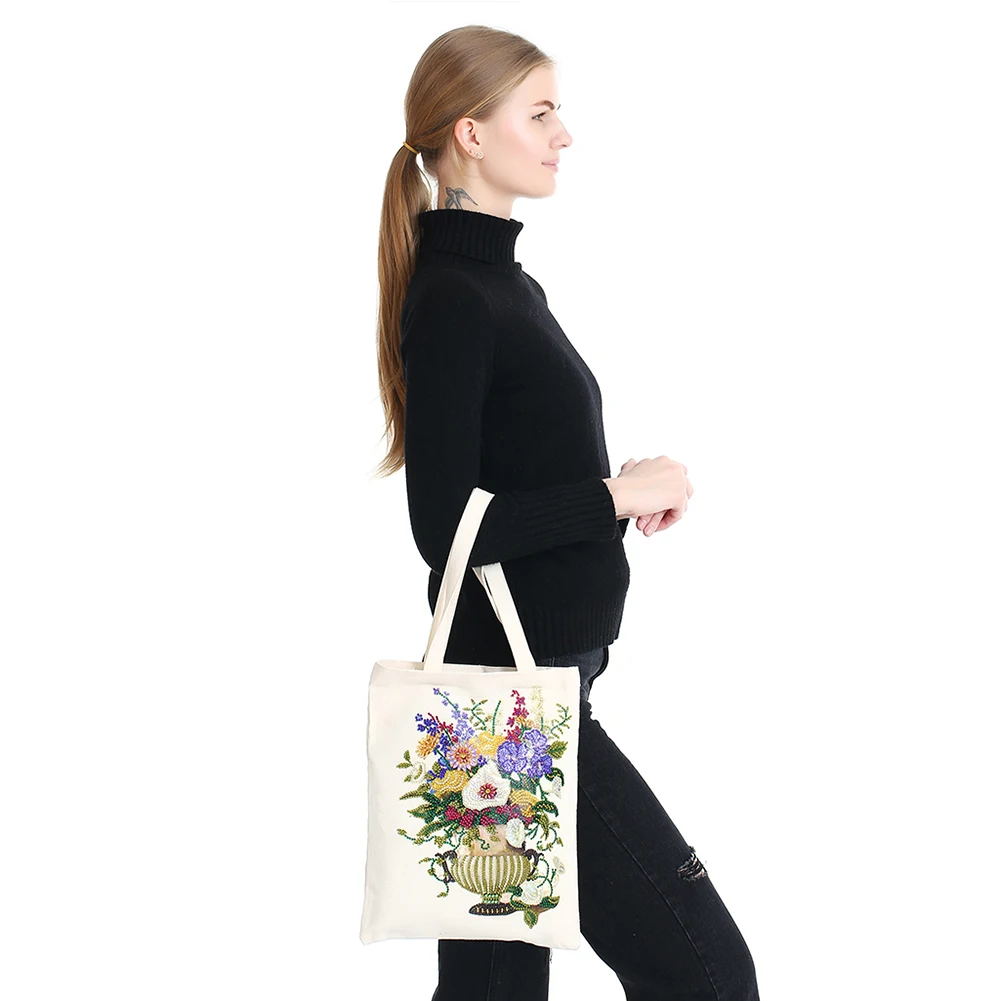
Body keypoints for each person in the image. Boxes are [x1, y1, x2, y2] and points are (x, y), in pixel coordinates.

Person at [372, 24, 759, 1001]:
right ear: (470, 133)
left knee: (494, 992)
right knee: (708, 972)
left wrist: (610, 500)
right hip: (508, 715)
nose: (563, 135)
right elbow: (446, 526)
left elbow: (513, 484)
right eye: (540, 113)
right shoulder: (456, 297)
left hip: (525, 697)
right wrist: (613, 496)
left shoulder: (502, 285)